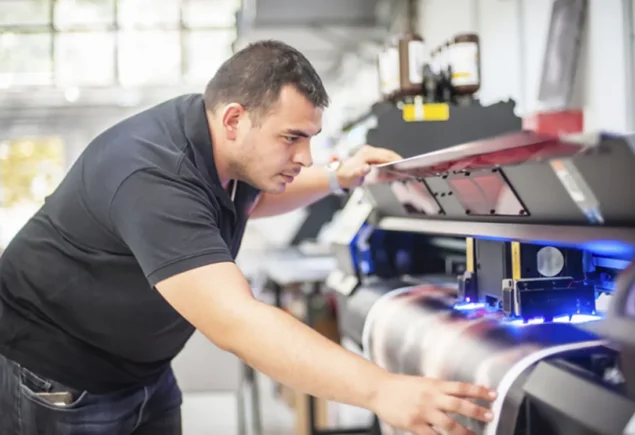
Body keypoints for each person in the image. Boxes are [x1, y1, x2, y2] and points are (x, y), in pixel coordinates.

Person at [0, 40, 496, 435]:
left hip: (142, 370)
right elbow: (236, 322)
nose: (305, 155)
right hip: (60, 376)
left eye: (310, 138)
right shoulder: (151, 174)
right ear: (236, 119)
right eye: (291, 137)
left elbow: (257, 197)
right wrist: (382, 391)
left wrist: (338, 176)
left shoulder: (219, 147)